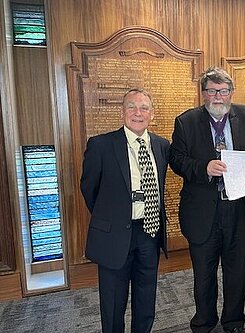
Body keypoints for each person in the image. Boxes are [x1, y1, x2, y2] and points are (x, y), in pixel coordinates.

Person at [169, 66, 245, 333]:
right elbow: (176, 160)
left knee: (237, 273)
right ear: (203, 93)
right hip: (202, 213)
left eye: (223, 91)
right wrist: (203, 168)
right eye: (212, 91)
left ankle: (234, 322)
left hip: (239, 209)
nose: (218, 97)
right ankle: (204, 322)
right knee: (204, 274)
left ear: (231, 93)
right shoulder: (185, 121)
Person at [80, 88, 170, 333]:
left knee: (146, 297)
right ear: (122, 112)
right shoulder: (101, 145)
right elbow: (90, 190)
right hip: (114, 235)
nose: (137, 113)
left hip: (149, 232)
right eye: (131, 107)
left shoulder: (162, 146)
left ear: (152, 114)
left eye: (143, 108)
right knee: (113, 302)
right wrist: (112, 215)